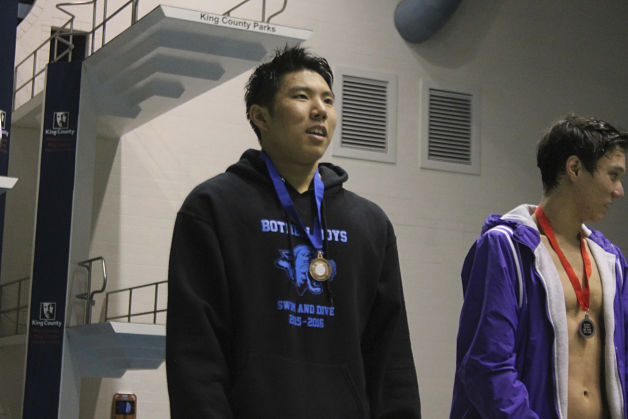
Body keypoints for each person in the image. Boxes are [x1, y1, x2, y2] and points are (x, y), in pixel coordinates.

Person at [166, 46, 421, 418]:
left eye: (328, 100)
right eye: (301, 96)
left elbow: (391, 359)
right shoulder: (213, 209)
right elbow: (195, 355)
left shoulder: (369, 225)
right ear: (261, 116)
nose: (320, 110)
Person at [450, 114, 628, 418]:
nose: (619, 190)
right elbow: (488, 365)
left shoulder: (612, 262)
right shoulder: (505, 249)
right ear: (574, 168)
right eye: (613, 175)